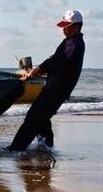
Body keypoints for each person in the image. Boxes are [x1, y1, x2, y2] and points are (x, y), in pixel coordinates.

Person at [7, 9, 85, 151]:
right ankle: (46, 146)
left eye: (67, 26)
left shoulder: (74, 44)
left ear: (76, 26)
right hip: (56, 86)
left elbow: (57, 61)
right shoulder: (70, 42)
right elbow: (55, 61)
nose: (64, 29)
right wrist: (39, 71)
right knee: (42, 117)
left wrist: (39, 69)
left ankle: (16, 148)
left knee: (34, 117)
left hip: (57, 89)